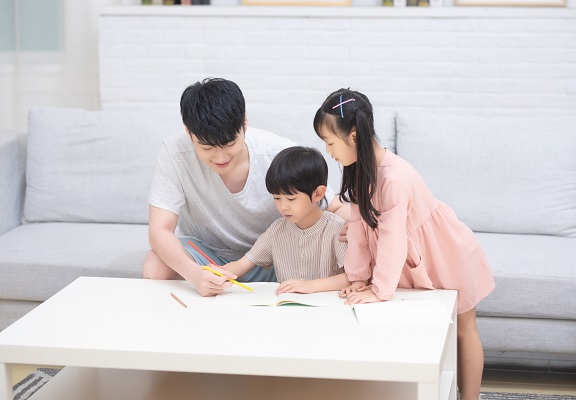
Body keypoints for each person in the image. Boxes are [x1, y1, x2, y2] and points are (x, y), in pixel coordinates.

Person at [313, 88, 495, 400]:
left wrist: (379, 290)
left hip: (446, 255)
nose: (328, 151)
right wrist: (358, 278)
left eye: (330, 142)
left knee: (464, 331)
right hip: (413, 259)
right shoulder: (359, 170)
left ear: (353, 136)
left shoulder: (394, 178)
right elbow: (358, 227)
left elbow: (393, 239)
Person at [143, 78, 348, 296]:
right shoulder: (174, 154)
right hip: (207, 256)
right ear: (188, 131)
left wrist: (359, 230)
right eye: (208, 147)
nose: (220, 157)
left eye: (229, 143)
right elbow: (159, 230)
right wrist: (194, 274)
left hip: (271, 257)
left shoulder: (277, 154)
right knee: (154, 268)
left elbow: (334, 207)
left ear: (245, 123)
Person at [223, 146, 350, 294]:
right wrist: (221, 273)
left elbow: (353, 277)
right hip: (286, 306)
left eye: (291, 199)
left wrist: (310, 286)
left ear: (318, 193)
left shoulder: (336, 228)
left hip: (329, 305)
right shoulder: (276, 230)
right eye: (277, 198)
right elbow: (242, 264)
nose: (283, 206)